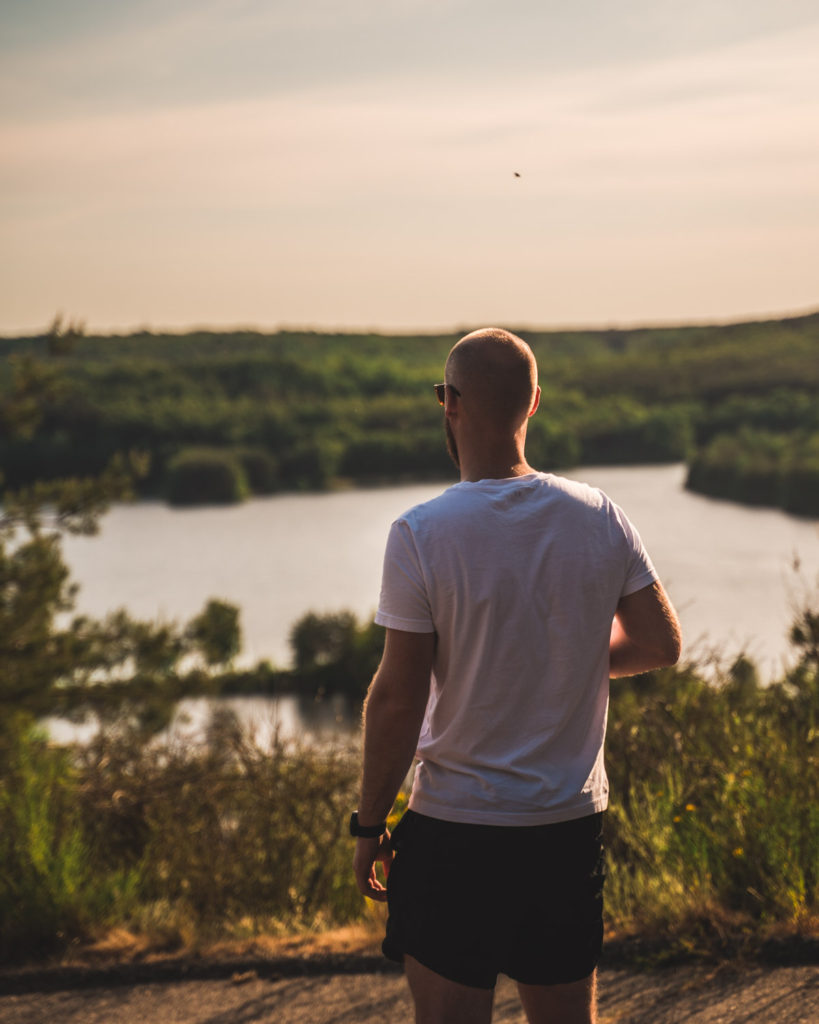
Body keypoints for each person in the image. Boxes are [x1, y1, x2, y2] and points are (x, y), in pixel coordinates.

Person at [351, 328, 681, 1024]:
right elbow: (659, 643)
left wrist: (368, 823)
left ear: (451, 405)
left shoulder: (421, 533)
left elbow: (397, 699)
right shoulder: (598, 517)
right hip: (563, 829)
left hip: (454, 829)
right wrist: (565, 658)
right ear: (532, 403)